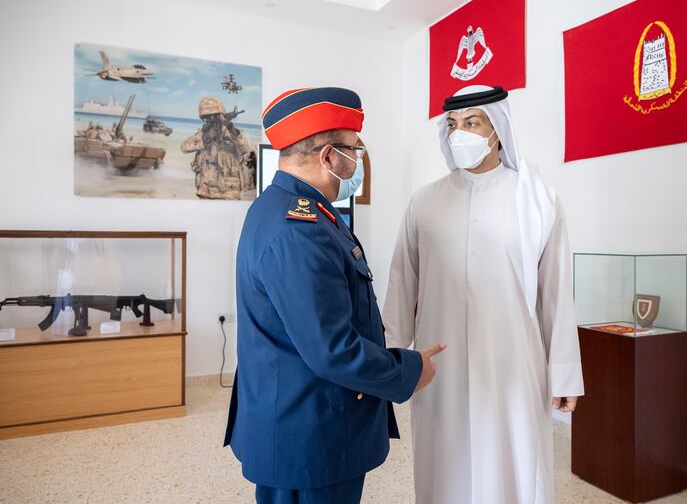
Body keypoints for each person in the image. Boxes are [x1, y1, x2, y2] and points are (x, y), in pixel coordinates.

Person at [223, 86, 445, 504]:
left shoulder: (286, 207)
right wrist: (410, 370)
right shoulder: (300, 230)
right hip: (310, 431)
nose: (358, 163)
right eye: (354, 153)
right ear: (329, 156)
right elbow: (332, 350)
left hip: (294, 416)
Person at [383, 85, 584, 504]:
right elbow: (402, 283)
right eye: (453, 125)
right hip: (440, 364)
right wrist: (389, 359)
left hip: (512, 360)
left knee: (513, 464)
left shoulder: (537, 200)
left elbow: (556, 295)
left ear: (497, 128)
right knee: (444, 466)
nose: (461, 133)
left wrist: (565, 372)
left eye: (472, 122)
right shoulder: (425, 202)